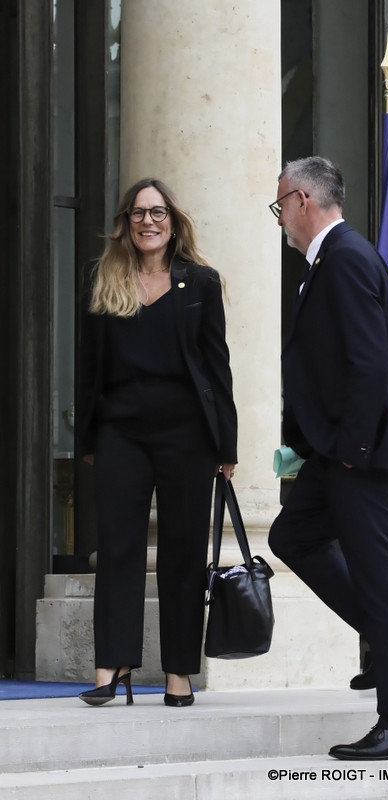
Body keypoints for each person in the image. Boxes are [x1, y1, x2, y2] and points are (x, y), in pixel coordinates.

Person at [267, 157, 388, 760]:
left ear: (303, 202)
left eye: (280, 205)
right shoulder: (327, 261)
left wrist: (351, 453)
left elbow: (369, 364)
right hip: (339, 446)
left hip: (359, 450)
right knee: (293, 535)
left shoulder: (343, 258)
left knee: (377, 577)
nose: (280, 218)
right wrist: (304, 443)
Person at [77, 177, 237, 707]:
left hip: (187, 435)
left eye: (158, 213)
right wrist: (89, 438)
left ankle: (178, 674)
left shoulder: (202, 282)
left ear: (173, 223)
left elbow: (218, 367)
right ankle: (111, 666)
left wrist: (226, 446)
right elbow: (89, 368)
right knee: (118, 548)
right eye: (139, 213)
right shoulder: (102, 279)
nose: (149, 222)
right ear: (125, 222)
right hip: (120, 431)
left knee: (182, 552)